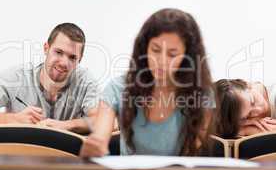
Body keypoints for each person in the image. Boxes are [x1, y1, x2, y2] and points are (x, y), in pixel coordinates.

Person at [80, 8, 216, 157]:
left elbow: (191, 155)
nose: (161, 62)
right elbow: (99, 138)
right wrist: (94, 147)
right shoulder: (117, 88)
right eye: (156, 50)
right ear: (145, 48)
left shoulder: (201, 94)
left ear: (186, 56)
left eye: (172, 54)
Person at [0, 23, 99, 133]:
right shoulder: (15, 78)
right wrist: (14, 119)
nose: (63, 63)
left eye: (72, 57)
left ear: (80, 60)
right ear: (46, 48)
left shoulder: (85, 81)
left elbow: (107, 122)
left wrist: (66, 126)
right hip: (20, 154)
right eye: (59, 52)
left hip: (65, 156)